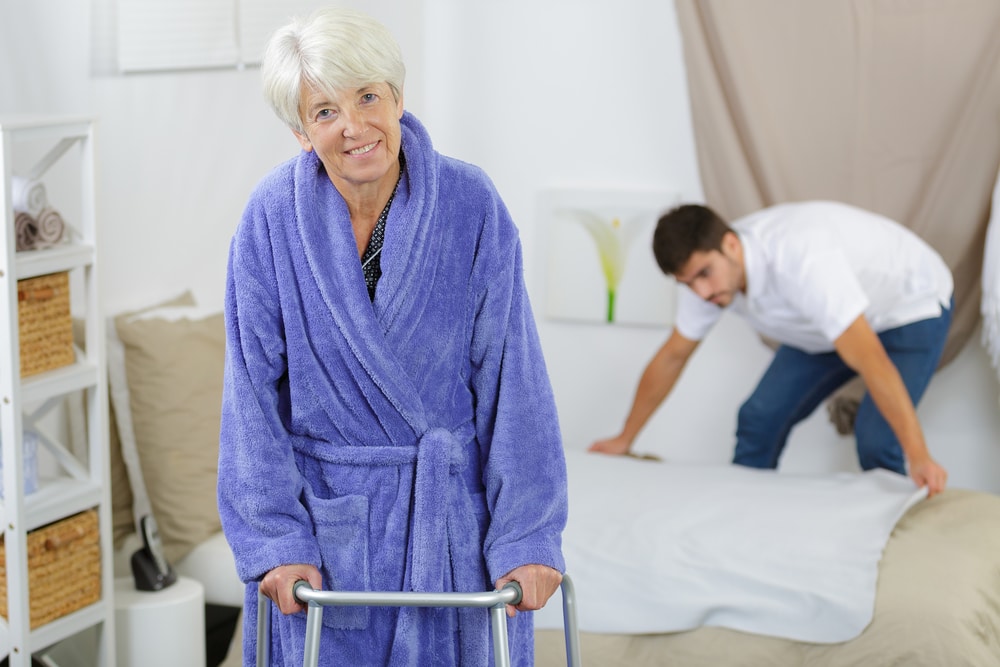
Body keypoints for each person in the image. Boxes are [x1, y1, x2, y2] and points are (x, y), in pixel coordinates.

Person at [217, 8, 567, 666]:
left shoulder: (471, 204)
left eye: (368, 97)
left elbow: (513, 379)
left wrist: (527, 534)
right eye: (324, 111)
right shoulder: (270, 220)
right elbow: (249, 395)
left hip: (452, 539)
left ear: (399, 98)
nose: (354, 126)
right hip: (325, 551)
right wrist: (274, 538)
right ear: (299, 130)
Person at [590, 201, 953, 497]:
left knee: (876, 438)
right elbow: (673, 356)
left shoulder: (801, 260)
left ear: (731, 245)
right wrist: (625, 438)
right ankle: (744, 517)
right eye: (687, 284)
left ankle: (893, 540)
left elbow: (869, 357)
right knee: (758, 419)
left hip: (908, 307)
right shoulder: (706, 281)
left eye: (704, 274)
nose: (701, 293)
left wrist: (919, 456)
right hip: (822, 326)